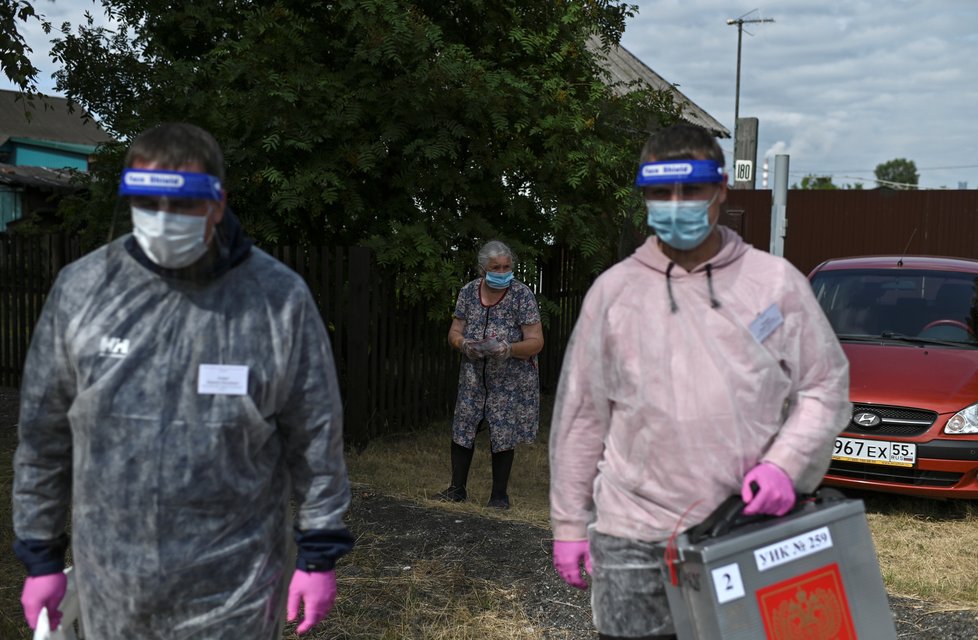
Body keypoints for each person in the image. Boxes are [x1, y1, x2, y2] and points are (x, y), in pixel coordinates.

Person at [13, 122, 354, 638]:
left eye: (182, 203)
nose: (162, 219)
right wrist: (40, 554)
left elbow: (316, 438)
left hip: (236, 589)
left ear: (217, 203)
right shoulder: (83, 291)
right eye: (147, 202)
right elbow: (43, 436)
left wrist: (319, 551)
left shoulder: (276, 300)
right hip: (114, 586)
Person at [548, 123, 851, 639]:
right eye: (661, 193)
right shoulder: (614, 293)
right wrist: (570, 523)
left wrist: (786, 465)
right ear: (645, 196)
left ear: (721, 189)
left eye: (691, 190)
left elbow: (822, 387)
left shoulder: (773, 284)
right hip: (631, 536)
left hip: (743, 531)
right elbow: (582, 417)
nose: (676, 204)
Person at [438, 240, 544, 509]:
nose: (502, 271)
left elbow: (536, 341)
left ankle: (499, 496)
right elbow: (454, 331)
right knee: (463, 426)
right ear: (483, 268)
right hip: (474, 376)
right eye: (496, 267)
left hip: (509, 379)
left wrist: (508, 348)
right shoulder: (467, 292)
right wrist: (464, 345)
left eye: (507, 266)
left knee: (503, 431)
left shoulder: (522, 295)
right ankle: (457, 489)